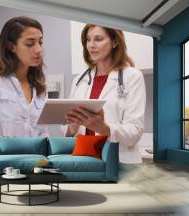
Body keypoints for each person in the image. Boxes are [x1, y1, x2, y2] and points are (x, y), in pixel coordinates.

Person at [63, 24, 146, 163]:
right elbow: (66, 129)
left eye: (98, 39)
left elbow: (134, 132)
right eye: (88, 40)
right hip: (85, 161)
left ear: (114, 42)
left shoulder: (132, 76)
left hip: (119, 161)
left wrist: (104, 128)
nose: (91, 45)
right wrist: (72, 128)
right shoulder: (79, 80)